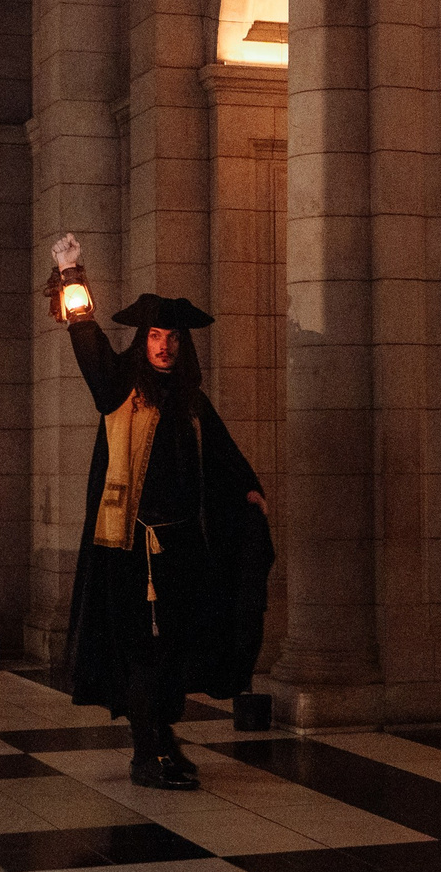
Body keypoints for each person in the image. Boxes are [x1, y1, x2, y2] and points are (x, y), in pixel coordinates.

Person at [50, 233, 275, 790]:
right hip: (129, 549)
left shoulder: (191, 400)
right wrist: (71, 273)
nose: (164, 346)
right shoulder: (120, 389)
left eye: (172, 337)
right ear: (142, 340)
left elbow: (222, 458)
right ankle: (145, 754)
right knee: (143, 652)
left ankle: (163, 741)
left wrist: (248, 492)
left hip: (182, 549)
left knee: (175, 650)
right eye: (155, 336)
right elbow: (88, 342)